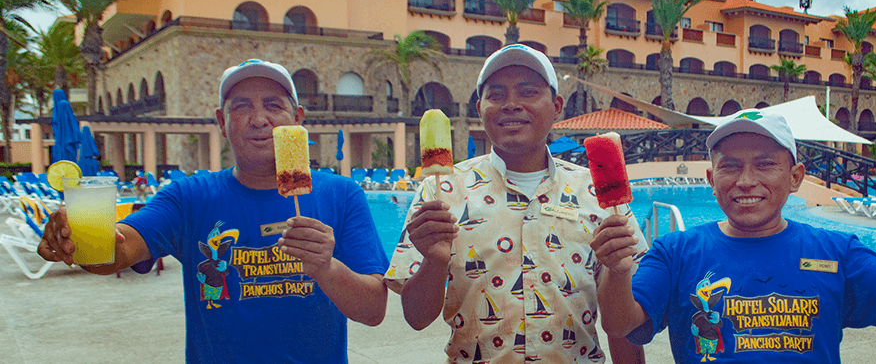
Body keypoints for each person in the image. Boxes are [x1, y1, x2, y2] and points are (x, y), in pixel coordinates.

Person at [38, 59, 389, 363]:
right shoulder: (189, 197)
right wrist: (79, 236)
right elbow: (121, 249)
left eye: (273, 105)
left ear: (296, 119)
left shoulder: (342, 195)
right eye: (240, 107)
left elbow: (374, 310)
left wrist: (326, 268)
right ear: (221, 121)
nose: (258, 119)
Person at [592, 111, 876, 363]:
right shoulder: (675, 252)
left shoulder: (838, 252)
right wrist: (617, 270)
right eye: (730, 167)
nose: (746, 181)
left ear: (795, 177)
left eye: (765, 165)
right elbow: (621, 323)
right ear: (712, 181)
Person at [384, 44, 648, 363]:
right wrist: (435, 261)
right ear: (480, 107)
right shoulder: (440, 193)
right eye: (496, 95)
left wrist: (618, 272)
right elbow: (415, 317)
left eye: (528, 91)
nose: (511, 104)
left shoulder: (596, 192)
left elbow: (623, 327)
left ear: (557, 106)